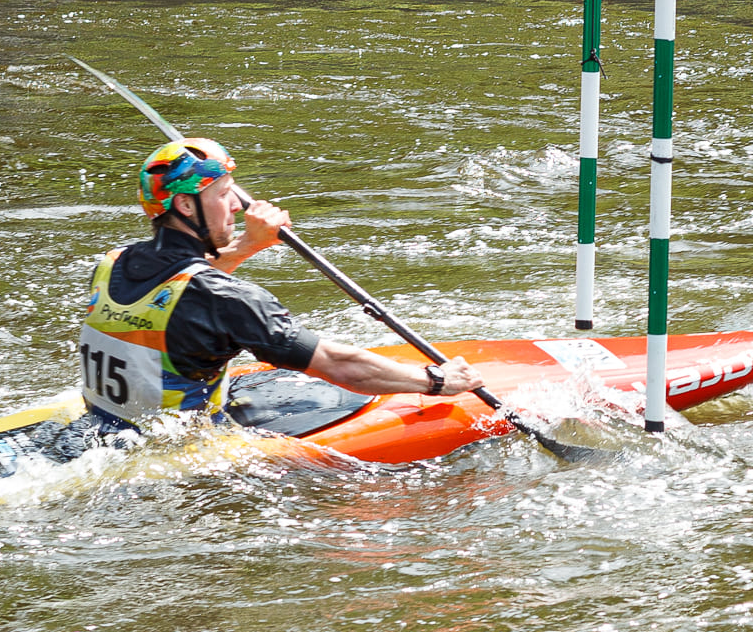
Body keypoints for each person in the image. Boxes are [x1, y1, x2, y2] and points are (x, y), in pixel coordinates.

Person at [77, 137, 477, 428]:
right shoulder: (228, 299)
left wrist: (249, 244)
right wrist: (436, 380)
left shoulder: (113, 264)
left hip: (105, 427)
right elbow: (335, 364)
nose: (237, 205)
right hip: (178, 450)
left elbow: (183, 287)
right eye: (223, 194)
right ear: (184, 204)